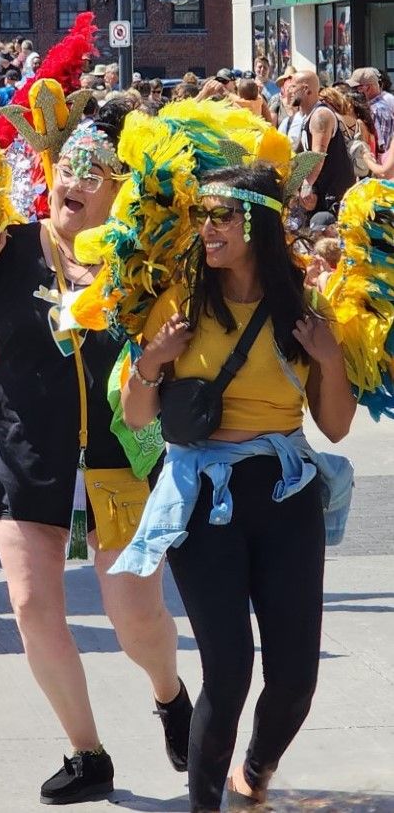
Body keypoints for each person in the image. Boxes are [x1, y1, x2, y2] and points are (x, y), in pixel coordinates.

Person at [0, 102, 190, 806]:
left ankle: (170, 695)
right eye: (67, 165)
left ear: (119, 187)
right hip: (24, 453)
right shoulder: (5, 246)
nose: (74, 179)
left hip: (121, 460)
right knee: (32, 605)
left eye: (93, 171)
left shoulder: (141, 263)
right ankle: (87, 751)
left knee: (135, 617)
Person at [121, 162, 355, 812]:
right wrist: (151, 362)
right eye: (203, 215)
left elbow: (333, 425)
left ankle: (255, 766)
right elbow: (138, 416)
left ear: (259, 221)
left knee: (294, 680)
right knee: (226, 674)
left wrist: (331, 359)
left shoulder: (303, 309)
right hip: (204, 500)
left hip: (286, 498)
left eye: (222, 215)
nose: (208, 228)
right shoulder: (182, 300)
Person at [294, 70, 355, 214]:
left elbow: (318, 155)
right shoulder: (307, 117)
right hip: (322, 195)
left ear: (305, 89)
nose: (288, 91)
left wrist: (307, 185)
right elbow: (300, 156)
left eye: (292, 87)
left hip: (335, 197)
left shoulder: (320, 115)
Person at [346, 66, 394, 158]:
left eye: (357, 88)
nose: (354, 91)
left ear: (368, 87)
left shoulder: (379, 109)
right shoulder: (372, 106)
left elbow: (383, 147)